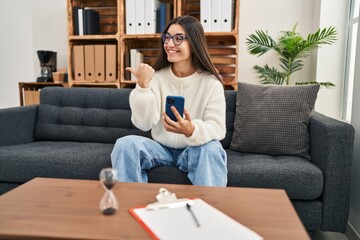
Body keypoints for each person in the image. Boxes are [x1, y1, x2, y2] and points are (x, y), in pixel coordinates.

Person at [111, 15, 227, 187]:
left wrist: (191, 130)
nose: (169, 44)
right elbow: (143, 124)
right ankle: (129, 205)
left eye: (178, 38)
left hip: (193, 150)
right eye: (167, 37)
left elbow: (217, 129)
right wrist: (143, 87)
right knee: (125, 144)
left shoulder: (211, 83)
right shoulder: (156, 78)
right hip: (160, 149)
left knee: (212, 148)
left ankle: (207, 209)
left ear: (194, 44)